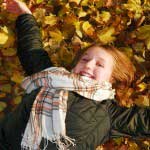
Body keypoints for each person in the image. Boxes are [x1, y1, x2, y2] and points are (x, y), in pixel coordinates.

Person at [0, 0, 149, 150]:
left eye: (99, 65)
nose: (88, 65)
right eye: (84, 59)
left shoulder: (111, 114)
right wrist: (25, 14)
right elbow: (31, 48)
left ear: (113, 78)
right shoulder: (50, 77)